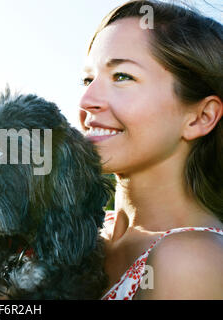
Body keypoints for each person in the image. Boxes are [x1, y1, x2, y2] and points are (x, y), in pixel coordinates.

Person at [79, 0, 223, 299]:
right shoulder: (76, 235)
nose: (87, 100)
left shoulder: (192, 263)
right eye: (88, 79)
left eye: (123, 77)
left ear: (201, 117)